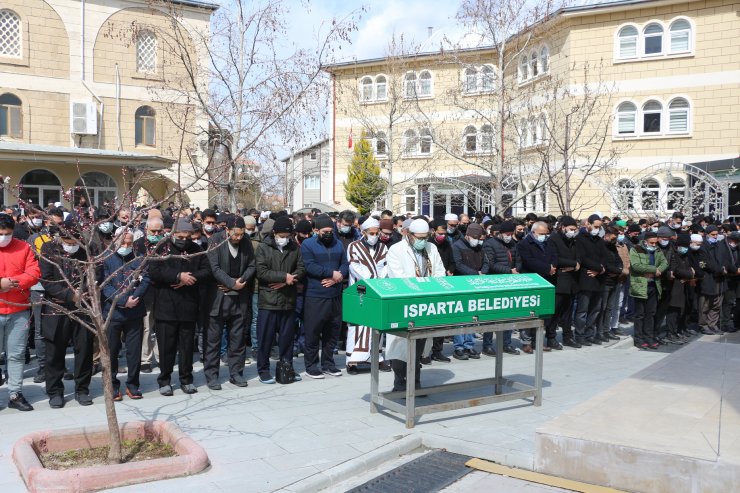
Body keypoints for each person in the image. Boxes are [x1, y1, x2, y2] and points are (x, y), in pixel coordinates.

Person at [148, 218, 212, 396]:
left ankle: (186, 379)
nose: (183, 239)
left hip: (188, 305)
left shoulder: (196, 250)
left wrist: (189, 278)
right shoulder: (161, 247)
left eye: (187, 236)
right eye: (180, 236)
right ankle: (165, 380)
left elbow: (207, 271)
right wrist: (177, 276)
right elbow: (154, 271)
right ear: (173, 234)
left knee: (186, 347)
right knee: (166, 346)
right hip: (166, 305)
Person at [40, 217, 95, 408]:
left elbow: (96, 274)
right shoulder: (49, 249)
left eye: (74, 242)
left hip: (82, 307)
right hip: (56, 307)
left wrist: (84, 292)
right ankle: (55, 391)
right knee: (54, 351)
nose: (70, 246)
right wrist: (69, 295)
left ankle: (82, 389)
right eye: (67, 242)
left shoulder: (88, 249)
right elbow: (47, 280)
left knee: (84, 349)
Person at [385, 218, 445, 392]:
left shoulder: (431, 248)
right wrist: (422, 286)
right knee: (399, 343)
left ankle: (415, 382)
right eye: (419, 237)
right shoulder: (396, 250)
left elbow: (439, 272)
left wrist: (431, 288)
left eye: (425, 237)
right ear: (409, 234)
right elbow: (399, 277)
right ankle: (399, 382)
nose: (422, 241)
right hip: (403, 302)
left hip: (425, 302)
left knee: (419, 344)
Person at [204, 216, 255, 390]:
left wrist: (240, 281)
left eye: (241, 234)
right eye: (235, 234)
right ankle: (211, 376)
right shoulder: (215, 241)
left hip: (238, 298)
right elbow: (214, 268)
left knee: (238, 339)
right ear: (227, 231)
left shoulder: (246, 242)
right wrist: (231, 283)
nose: (238, 238)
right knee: (214, 340)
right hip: (218, 298)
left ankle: (236, 373)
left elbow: (252, 265)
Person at [255, 216, 305, 384]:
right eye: (282, 235)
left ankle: (287, 367)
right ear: (275, 233)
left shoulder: (294, 248)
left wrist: (287, 281)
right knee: (265, 338)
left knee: (287, 339)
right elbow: (261, 272)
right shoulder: (263, 247)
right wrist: (284, 276)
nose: (284, 239)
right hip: (268, 300)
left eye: (287, 236)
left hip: (288, 299)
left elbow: (301, 268)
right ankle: (263, 370)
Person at [101, 229, 150, 400]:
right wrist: (122, 300)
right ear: (115, 241)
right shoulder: (106, 258)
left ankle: (133, 384)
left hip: (135, 312)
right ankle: (113, 386)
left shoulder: (139, 258)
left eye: (130, 242)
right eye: (123, 242)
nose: (126, 246)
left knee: (134, 351)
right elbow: (105, 285)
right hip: (113, 312)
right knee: (112, 351)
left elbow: (146, 280)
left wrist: (134, 298)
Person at [0, 213, 40, 411]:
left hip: (19, 310)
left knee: (16, 355)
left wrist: (12, 284)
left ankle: (15, 394)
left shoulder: (24, 247)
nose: (4, 237)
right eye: (0, 234)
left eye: (7, 234)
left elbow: (33, 273)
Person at [300, 214, 348, 379]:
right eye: (325, 231)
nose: (329, 234)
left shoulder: (338, 244)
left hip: (335, 294)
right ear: (316, 230)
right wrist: (331, 273)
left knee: (332, 331)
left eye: (330, 231)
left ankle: (328, 363)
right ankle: (311, 365)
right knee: (313, 332)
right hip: (315, 295)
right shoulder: (308, 244)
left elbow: (344, 263)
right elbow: (309, 266)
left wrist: (338, 276)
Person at [346, 217, 390, 374]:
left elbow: (386, 266)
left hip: (378, 290)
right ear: (363, 232)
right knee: (356, 325)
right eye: (371, 233)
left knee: (377, 325)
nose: (374, 235)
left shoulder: (383, 248)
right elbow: (354, 266)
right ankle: (352, 361)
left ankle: (376, 358)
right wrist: (372, 279)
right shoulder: (353, 246)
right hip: (360, 289)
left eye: (376, 233)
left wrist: (379, 281)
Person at [516, 221, 557, 353]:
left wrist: (552, 267)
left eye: (546, 234)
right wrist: (547, 268)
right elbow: (529, 261)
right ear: (533, 232)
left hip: (546, 281)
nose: (544, 236)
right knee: (528, 314)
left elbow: (554, 256)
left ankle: (538, 341)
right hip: (531, 281)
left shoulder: (548, 242)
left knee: (541, 315)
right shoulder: (524, 244)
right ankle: (526, 342)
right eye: (541, 234)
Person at [482, 220, 521, 354]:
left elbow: (518, 260)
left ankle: (506, 343)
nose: (509, 236)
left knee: (509, 315)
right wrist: (509, 271)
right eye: (507, 233)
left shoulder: (513, 244)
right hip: (495, 283)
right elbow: (491, 264)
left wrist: (516, 269)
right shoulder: (490, 244)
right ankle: (487, 345)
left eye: (511, 233)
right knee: (491, 317)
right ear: (500, 233)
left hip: (510, 283)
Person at [451, 223, 488, 360]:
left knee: (473, 317)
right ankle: (459, 347)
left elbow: (486, 262)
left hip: (476, 285)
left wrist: (482, 272)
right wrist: (475, 274)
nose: (476, 240)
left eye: (478, 238)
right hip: (461, 285)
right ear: (467, 235)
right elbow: (458, 264)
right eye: (473, 237)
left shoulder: (479, 246)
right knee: (461, 318)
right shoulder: (457, 246)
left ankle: (469, 345)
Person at [134, 216, 164, 373]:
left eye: (159, 231)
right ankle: (145, 358)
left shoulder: (165, 244)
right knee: (146, 327)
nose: (156, 233)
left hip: (163, 290)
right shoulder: (138, 245)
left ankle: (160, 356)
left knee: (161, 326)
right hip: (146, 291)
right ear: (146, 229)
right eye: (153, 231)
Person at [629, 231, 668, 349]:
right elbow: (636, 265)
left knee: (650, 314)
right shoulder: (636, 249)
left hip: (653, 285)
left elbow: (664, 262)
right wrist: (653, 270)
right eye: (651, 243)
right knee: (640, 314)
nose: (654, 245)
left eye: (655, 243)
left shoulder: (657, 250)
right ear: (645, 241)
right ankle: (639, 339)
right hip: (641, 285)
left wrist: (658, 271)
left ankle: (649, 337)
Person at [574, 214, 607, 346]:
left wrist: (600, 269)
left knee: (595, 309)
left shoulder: (599, 240)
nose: (597, 229)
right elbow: (583, 258)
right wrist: (599, 268)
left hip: (598, 279)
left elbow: (604, 257)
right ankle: (580, 334)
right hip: (586, 278)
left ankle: (589, 333)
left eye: (599, 227)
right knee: (583, 310)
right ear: (588, 224)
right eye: (595, 226)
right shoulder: (580, 239)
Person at [546, 216, 579, 349]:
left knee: (568, 312)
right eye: (571, 229)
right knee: (555, 312)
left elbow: (579, 255)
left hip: (572, 281)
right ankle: (551, 337)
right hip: (559, 281)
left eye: (575, 229)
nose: (573, 232)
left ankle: (568, 336)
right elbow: (555, 258)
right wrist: (573, 263)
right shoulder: (553, 239)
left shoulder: (573, 240)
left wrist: (577, 263)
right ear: (563, 227)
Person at [428, 218, 455, 361]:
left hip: (444, 284)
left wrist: (450, 269)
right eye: (440, 233)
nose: (442, 236)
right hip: (430, 285)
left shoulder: (447, 244)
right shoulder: (428, 245)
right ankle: (425, 352)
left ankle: (437, 350)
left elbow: (452, 261)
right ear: (433, 232)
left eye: (444, 233)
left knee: (441, 320)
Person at [596, 226, 623, 343]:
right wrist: (617, 271)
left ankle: (606, 330)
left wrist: (619, 269)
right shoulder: (601, 245)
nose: (615, 239)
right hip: (605, 281)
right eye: (613, 236)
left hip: (614, 280)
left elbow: (619, 261)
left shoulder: (612, 246)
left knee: (609, 308)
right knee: (602, 307)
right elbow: (604, 264)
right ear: (606, 235)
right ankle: (599, 332)